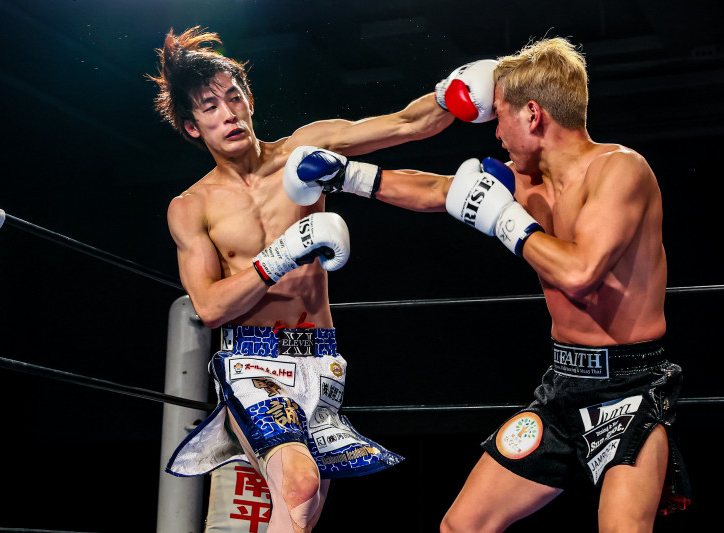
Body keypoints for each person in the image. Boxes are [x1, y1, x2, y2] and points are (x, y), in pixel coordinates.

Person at [283, 36, 691, 532]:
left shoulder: (620, 171)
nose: (495, 132)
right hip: (562, 384)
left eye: (499, 117)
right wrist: (349, 175)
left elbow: (580, 275)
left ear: (533, 115)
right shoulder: (526, 180)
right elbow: (438, 190)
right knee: (461, 526)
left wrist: (505, 220)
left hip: (629, 390)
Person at [146, 26, 473, 533]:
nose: (228, 113)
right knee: (299, 485)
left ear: (250, 101)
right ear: (192, 127)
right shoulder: (191, 207)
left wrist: (462, 91)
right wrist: (279, 256)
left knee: (303, 506)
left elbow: (409, 123)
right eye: (210, 107)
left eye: (233, 98)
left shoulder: (303, 151)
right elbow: (208, 307)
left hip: (320, 358)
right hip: (252, 360)